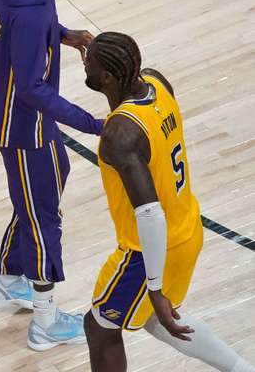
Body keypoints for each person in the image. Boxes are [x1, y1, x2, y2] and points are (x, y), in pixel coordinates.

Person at [0, 0, 103, 350]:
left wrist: (63, 35)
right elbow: (31, 88)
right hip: (22, 121)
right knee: (43, 212)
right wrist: (94, 124)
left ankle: (9, 278)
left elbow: (3, 24)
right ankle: (45, 321)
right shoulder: (30, 8)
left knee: (51, 179)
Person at [83, 32, 254, 372]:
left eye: (89, 62)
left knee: (99, 327)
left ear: (106, 78)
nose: (84, 63)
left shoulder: (120, 135)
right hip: (188, 227)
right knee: (158, 322)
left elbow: (149, 214)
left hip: (148, 250)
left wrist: (155, 287)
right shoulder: (155, 83)